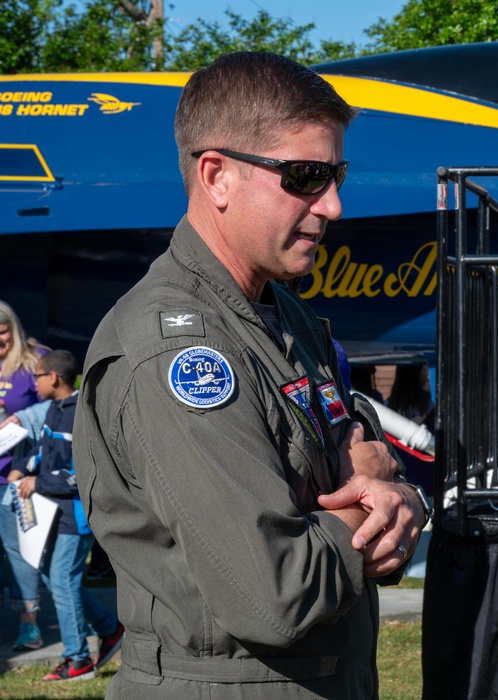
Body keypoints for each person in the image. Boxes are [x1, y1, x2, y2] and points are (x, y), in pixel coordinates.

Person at [73, 51, 429, 699]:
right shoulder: (176, 352)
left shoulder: (284, 317)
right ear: (216, 176)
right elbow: (275, 593)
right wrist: (374, 502)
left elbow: (364, 460)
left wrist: (402, 497)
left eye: (335, 174)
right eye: (305, 176)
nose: (335, 206)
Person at [13, 350, 124, 681]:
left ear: (53, 378)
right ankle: (108, 629)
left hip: (76, 515)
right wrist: (22, 468)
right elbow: (40, 451)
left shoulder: (81, 414)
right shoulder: (52, 409)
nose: (33, 385)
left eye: (36, 377)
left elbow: (82, 474)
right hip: (52, 514)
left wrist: (38, 481)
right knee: (53, 576)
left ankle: (78, 660)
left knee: (62, 579)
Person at [0, 301, 45, 651]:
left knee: (21, 551)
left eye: (2, 331)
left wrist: (23, 418)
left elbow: (62, 402)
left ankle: (29, 626)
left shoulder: (35, 359)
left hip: (18, 476)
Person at [387, 363, 435, 430]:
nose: (427, 375)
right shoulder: (432, 405)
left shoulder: (386, 406)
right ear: (417, 374)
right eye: (424, 370)